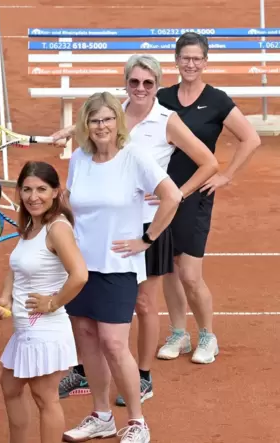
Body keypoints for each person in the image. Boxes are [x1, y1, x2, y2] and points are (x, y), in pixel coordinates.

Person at [51, 54, 219, 406]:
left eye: (148, 83)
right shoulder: (115, 110)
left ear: (158, 85)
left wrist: (176, 195)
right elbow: (94, 125)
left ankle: (142, 377)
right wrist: (70, 131)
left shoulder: (166, 120)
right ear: (125, 83)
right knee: (90, 298)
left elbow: (209, 163)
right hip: (108, 221)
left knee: (143, 303)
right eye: (134, 82)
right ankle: (86, 370)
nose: (140, 88)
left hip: (147, 225)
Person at [60, 92, 182, 443]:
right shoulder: (79, 159)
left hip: (118, 267)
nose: (101, 126)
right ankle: (101, 416)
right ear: (86, 125)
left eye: (108, 119)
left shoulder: (135, 157)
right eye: (95, 120)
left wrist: (147, 238)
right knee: (88, 342)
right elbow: (78, 212)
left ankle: (137, 421)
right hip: (82, 267)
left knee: (114, 344)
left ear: (118, 122)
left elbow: (172, 196)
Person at [155, 32, 261, 364]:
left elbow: (250, 138)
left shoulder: (217, 101)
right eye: (184, 58)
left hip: (196, 194)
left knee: (189, 272)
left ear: (205, 62)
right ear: (176, 60)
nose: (190, 64)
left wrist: (226, 175)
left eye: (196, 58)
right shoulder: (161, 97)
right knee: (168, 269)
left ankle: (207, 336)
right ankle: (177, 333)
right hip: (161, 193)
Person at [0, 161, 88, 443]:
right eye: (28, 189)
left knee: (45, 397)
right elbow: (16, 267)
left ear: (56, 192)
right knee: (10, 386)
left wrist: (53, 303)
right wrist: (6, 297)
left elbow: (80, 275)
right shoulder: (32, 225)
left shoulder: (57, 228)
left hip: (44, 329)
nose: (34, 196)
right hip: (26, 329)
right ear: (19, 191)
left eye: (42, 189)